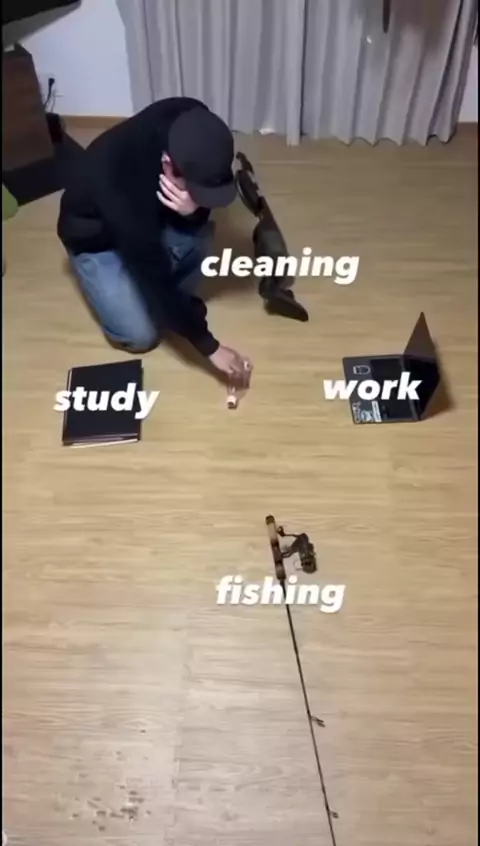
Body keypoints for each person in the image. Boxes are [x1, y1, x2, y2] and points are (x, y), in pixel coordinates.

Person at [57, 97, 251, 386]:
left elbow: (200, 198)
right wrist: (209, 347)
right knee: (141, 335)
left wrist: (193, 211)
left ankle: (164, 305)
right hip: (94, 240)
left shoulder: (191, 120)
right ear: (168, 165)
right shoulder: (121, 189)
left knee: (197, 237)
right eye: (196, 190)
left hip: (147, 219)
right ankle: (155, 303)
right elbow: (153, 270)